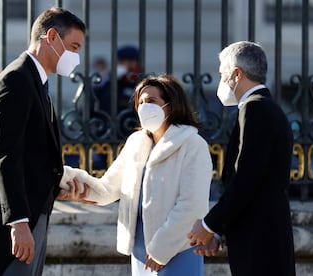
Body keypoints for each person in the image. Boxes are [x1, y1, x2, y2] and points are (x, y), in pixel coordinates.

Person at [0, 7, 87, 276]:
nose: (76, 57)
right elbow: (5, 156)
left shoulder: (35, 82)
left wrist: (60, 183)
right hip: (13, 228)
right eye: (74, 47)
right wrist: (18, 223)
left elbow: (33, 154)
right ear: (52, 37)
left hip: (33, 216)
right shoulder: (17, 80)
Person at [62, 74, 213, 275]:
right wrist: (67, 181)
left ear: (171, 105)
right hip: (140, 250)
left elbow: (192, 205)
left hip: (178, 249)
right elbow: (107, 188)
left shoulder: (193, 145)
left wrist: (161, 251)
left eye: (151, 101)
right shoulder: (136, 143)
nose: (144, 107)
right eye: (140, 102)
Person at [187, 41, 296, 275]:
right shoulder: (265, 107)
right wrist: (218, 231)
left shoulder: (255, 109)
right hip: (263, 237)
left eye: (222, 74)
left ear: (236, 74)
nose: (221, 81)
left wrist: (209, 226)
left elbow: (247, 179)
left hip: (260, 243)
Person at [93, 45, 141, 115]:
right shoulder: (108, 82)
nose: (126, 64)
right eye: (122, 61)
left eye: (130, 61)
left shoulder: (140, 83)